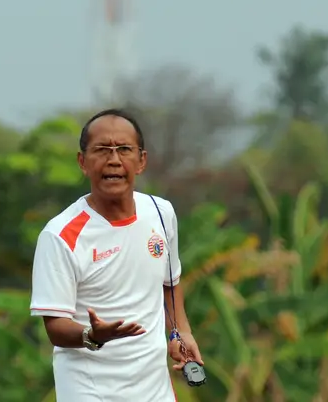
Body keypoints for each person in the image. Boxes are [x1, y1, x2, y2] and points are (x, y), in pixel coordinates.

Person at [29, 108, 203, 402]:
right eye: (101, 150)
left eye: (124, 149)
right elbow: (55, 326)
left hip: (153, 389)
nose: (113, 160)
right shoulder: (59, 235)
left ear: (141, 160)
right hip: (90, 391)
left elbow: (169, 283)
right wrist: (92, 335)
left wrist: (180, 332)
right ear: (83, 162)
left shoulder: (161, 213)